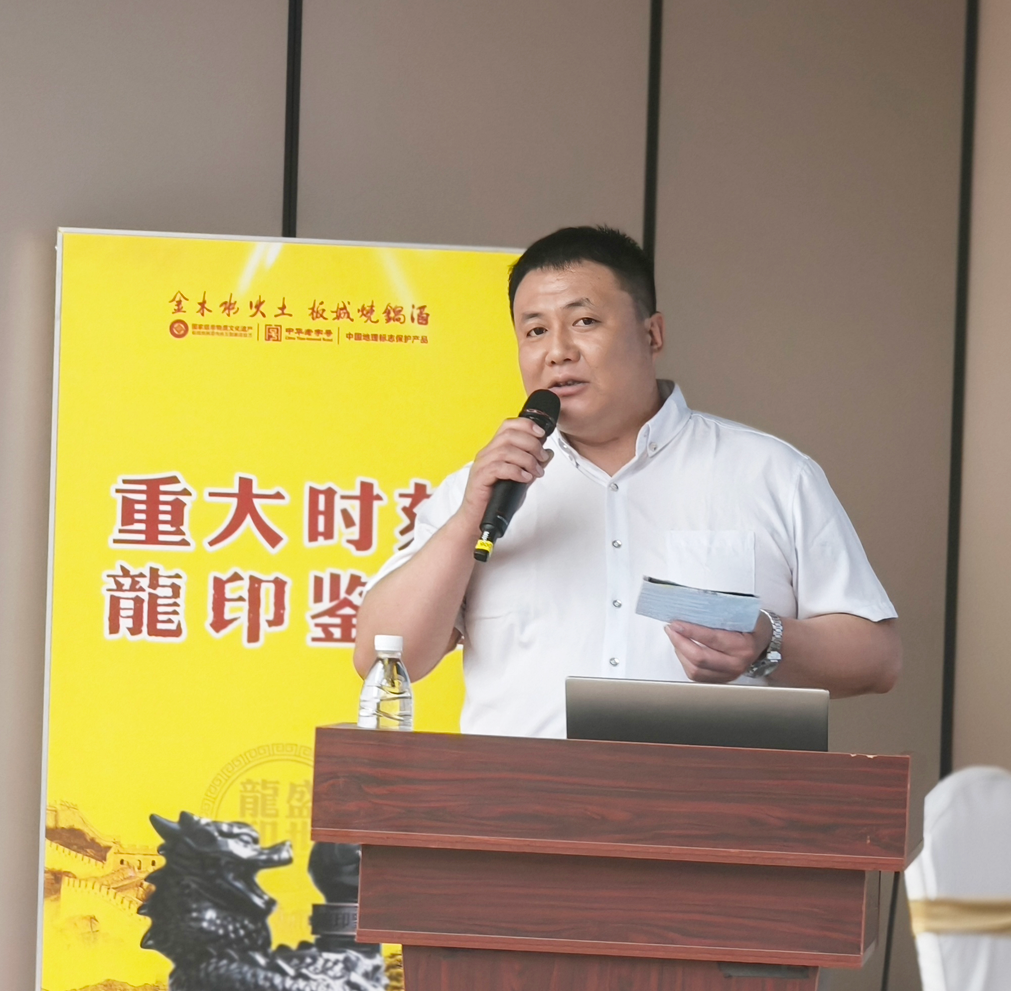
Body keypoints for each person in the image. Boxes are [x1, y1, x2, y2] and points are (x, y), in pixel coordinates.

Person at [353, 225, 901, 738]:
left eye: (584, 322)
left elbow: (878, 660)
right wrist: (469, 518)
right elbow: (382, 656)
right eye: (535, 330)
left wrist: (766, 640)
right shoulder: (477, 492)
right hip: (518, 805)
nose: (558, 351)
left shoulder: (770, 473)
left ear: (652, 333)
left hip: (707, 805)